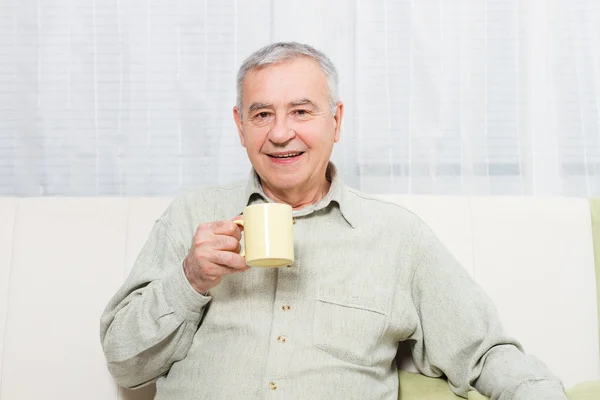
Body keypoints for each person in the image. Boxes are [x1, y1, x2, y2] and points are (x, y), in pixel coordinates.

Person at [100, 42, 567, 400]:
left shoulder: (396, 236)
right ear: (240, 126)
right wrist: (189, 279)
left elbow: (484, 355)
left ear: (336, 122)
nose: (281, 133)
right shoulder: (192, 216)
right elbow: (125, 363)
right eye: (262, 114)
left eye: (301, 111)